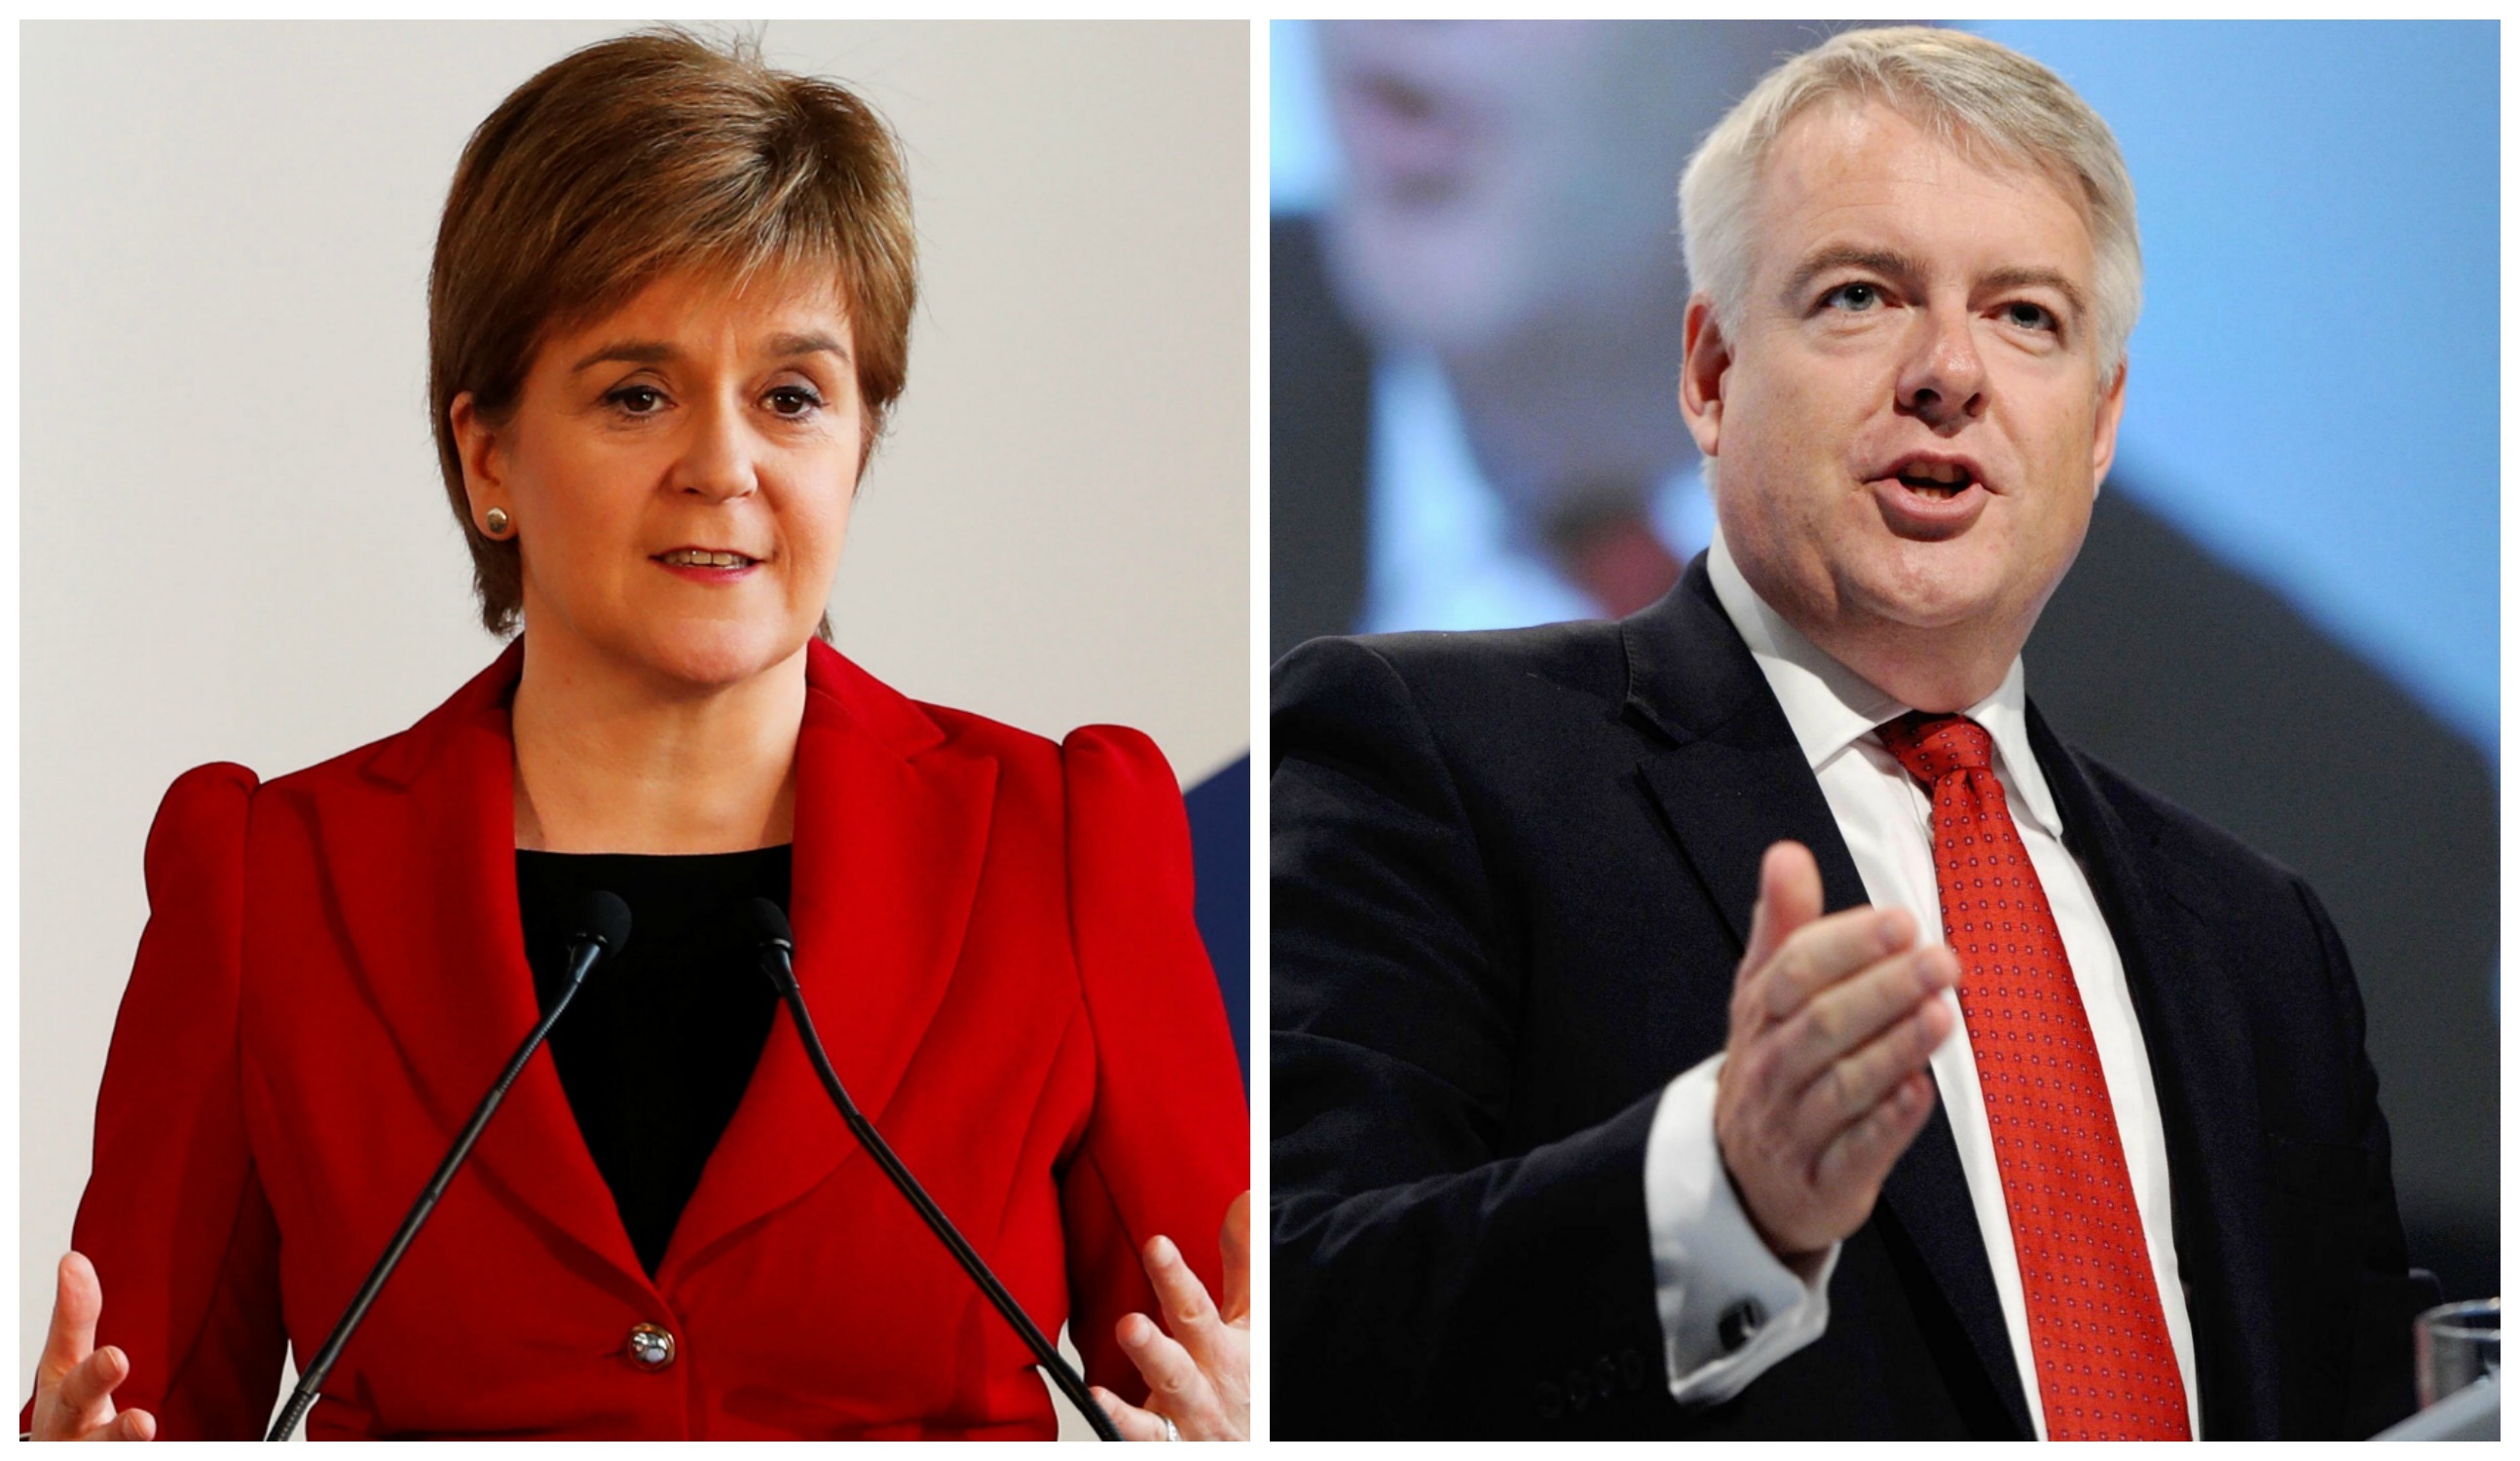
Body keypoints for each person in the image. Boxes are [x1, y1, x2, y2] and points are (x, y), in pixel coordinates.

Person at [26, 30, 1246, 1442]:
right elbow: (145, 1409)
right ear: (488, 457)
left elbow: (1210, 1367)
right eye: (635, 394)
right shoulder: (267, 881)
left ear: (858, 441)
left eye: (792, 397)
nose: (723, 467)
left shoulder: (1063, 839)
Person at [1273, 26, 2425, 1440]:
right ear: (1708, 371)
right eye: (1864, 294)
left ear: (2105, 420)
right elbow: (1313, 1339)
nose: (1950, 372)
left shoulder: (2263, 938)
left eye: (2027, 317)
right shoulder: (1430, 758)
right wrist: (1730, 1196)